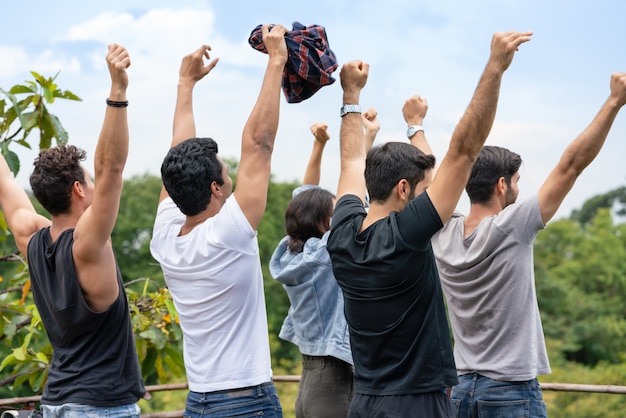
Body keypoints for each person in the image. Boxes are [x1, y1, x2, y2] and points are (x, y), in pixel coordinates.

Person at [326, 30, 533, 417]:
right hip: (416, 402)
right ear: (404, 190)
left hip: (365, 401)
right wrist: (494, 68)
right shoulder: (405, 235)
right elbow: (464, 151)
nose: (430, 195)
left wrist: (350, 96)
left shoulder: (341, 232)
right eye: (425, 189)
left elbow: (352, 162)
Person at [431, 71, 626, 418]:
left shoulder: (442, 233)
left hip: (459, 391)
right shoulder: (512, 227)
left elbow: (431, 181)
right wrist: (614, 102)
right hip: (510, 391)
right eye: (517, 181)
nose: (520, 188)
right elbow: (571, 166)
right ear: (502, 186)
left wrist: (415, 127)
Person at [149, 24, 288, 418]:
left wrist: (185, 84)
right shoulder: (227, 234)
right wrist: (276, 60)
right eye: (226, 172)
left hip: (199, 402)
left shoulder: (165, 237)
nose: (232, 174)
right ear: (215, 187)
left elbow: (177, 157)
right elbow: (258, 145)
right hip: (246, 402)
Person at [0, 44, 146, 417]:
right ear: (79, 190)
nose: (98, 187)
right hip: (99, 408)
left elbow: (5, 183)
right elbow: (112, 167)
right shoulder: (88, 244)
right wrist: (118, 91)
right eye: (89, 181)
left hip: (56, 404)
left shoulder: (30, 239)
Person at [269, 112, 378, 418]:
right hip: (334, 380)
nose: (341, 216)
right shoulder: (327, 253)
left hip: (312, 377)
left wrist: (318, 145)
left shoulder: (294, 251)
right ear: (321, 221)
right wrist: (366, 140)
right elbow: (359, 204)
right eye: (335, 212)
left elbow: (304, 195)